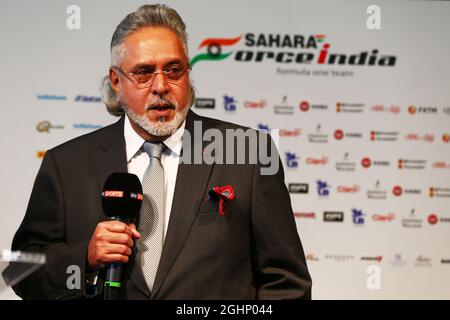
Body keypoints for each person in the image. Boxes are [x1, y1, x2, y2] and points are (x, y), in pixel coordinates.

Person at [11, 4, 311, 300]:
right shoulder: (67, 165)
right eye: (143, 73)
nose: (161, 86)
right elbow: (21, 271)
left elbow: (287, 283)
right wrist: (84, 259)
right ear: (116, 81)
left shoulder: (248, 154)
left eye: (173, 70)